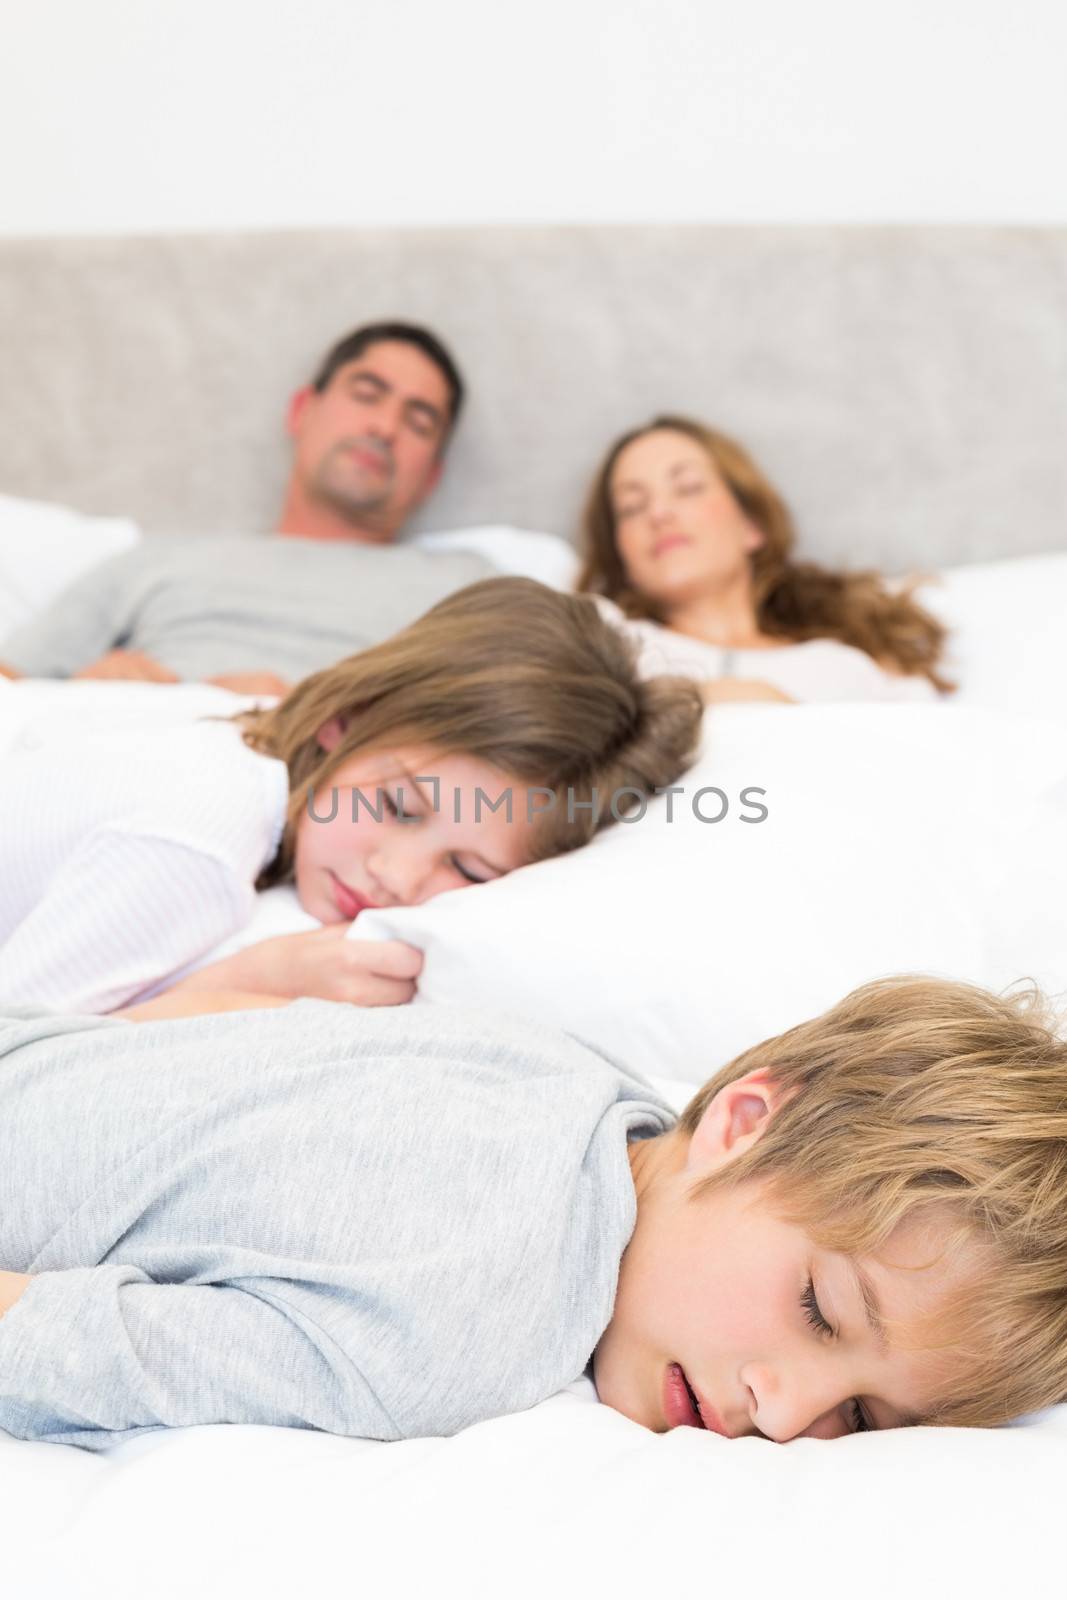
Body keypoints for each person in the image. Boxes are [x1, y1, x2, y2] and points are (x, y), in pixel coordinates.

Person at [1, 972, 1064, 1451]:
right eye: (820, 1310)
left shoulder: (579, 1078)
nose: (783, 1416)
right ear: (741, 1120)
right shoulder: (473, 1331)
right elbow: (57, 1349)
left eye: (860, 1419)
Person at [0, 577, 702, 1015]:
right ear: (344, 722)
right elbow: (21, 1069)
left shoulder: (247, 745)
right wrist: (256, 978)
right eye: (399, 806)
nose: (395, 876)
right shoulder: (204, 836)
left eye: (466, 870)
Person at [0, 322, 492, 691]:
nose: (384, 427)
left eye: (419, 422)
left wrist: (294, 711)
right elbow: (11, 682)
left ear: (431, 476)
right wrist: (91, 696)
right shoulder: (156, 562)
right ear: (303, 410)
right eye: (367, 395)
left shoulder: (468, 586)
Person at [577, 416, 953, 705]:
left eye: (688, 488)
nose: (658, 513)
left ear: (751, 524)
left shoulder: (845, 668)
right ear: (619, 551)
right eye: (632, 507)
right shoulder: (602, 642)